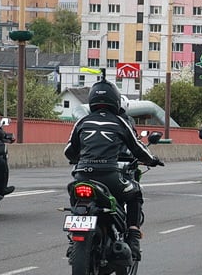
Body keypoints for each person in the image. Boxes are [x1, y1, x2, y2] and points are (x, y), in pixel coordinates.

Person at [64, 78, 162, 260]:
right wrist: (152, 160)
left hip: (81, 175)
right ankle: (133, 238)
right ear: (115, 101)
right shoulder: (120, 122)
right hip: (109, 176)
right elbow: (138, 148)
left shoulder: (82, 122)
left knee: (75, 196)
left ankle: (73, 240)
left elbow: (69, 151)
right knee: (135, 193)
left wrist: (82, 160)